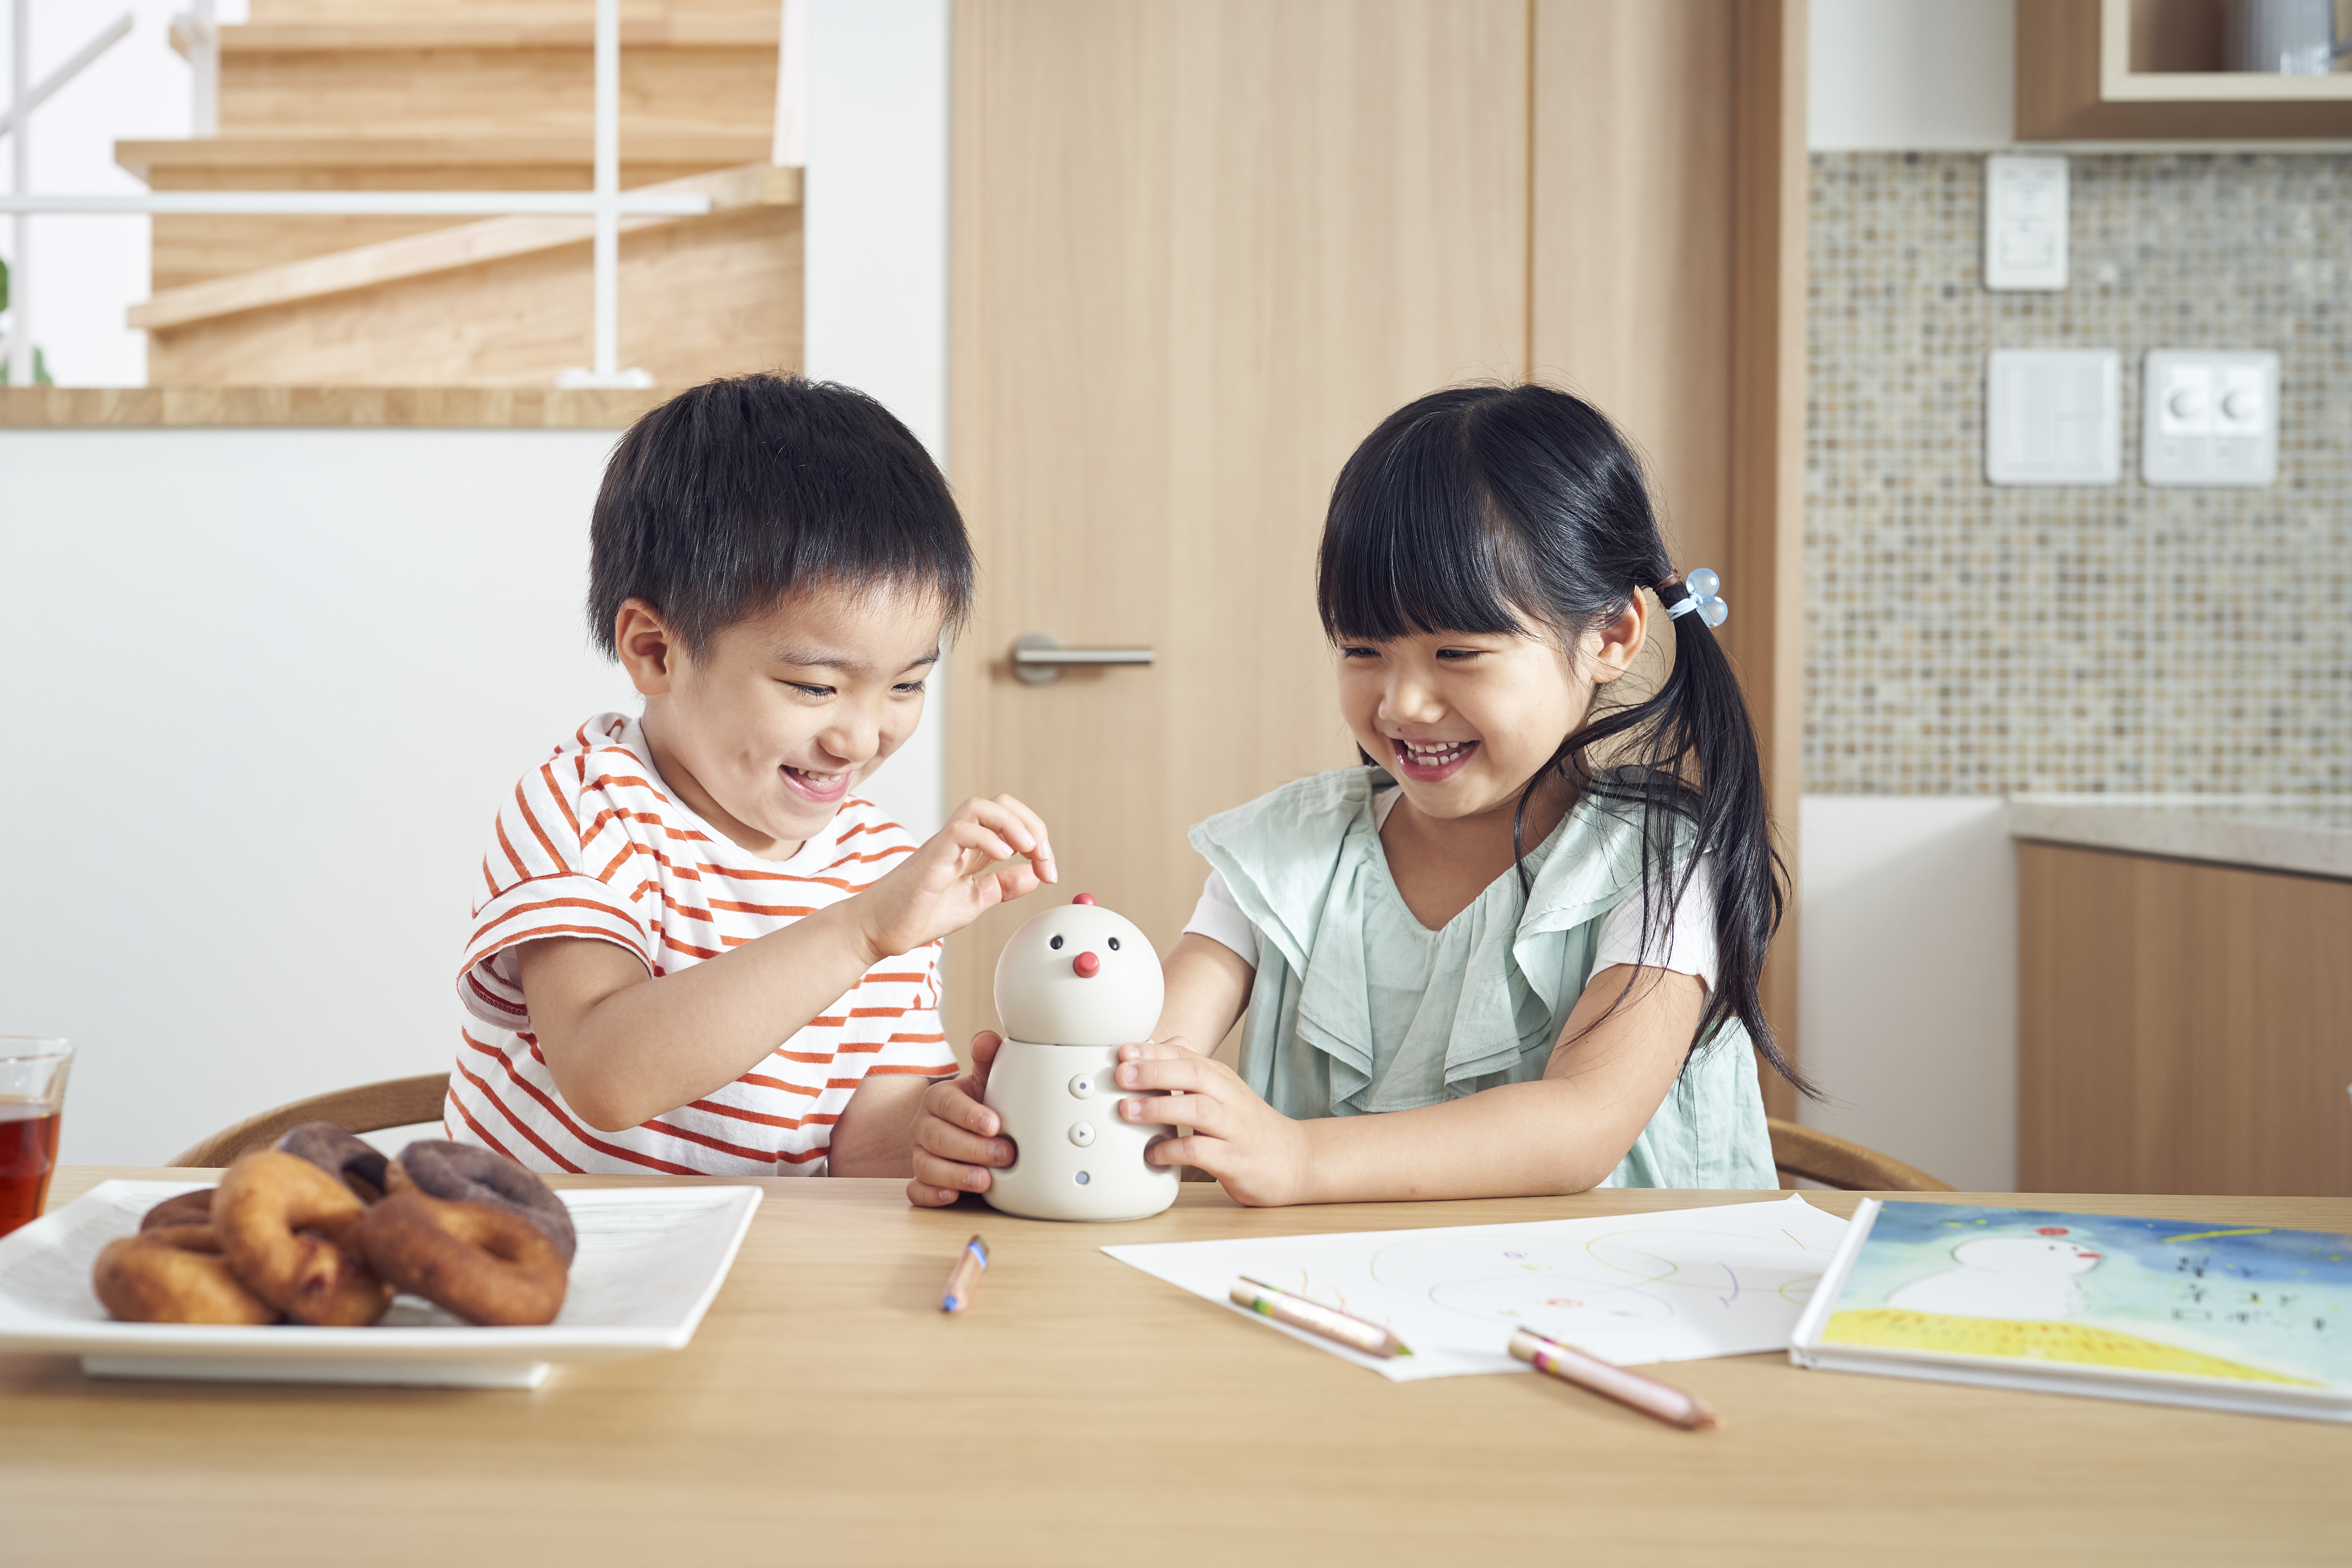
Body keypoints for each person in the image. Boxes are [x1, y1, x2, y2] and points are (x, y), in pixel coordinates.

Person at [908, 382, 1803, 1208]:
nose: (1402, 702)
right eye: (1363, 649)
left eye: (1459, 653)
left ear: (1611, 634)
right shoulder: (1287, 852)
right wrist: (1028, 1115)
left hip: (1622, 1304)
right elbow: (1155, 1059)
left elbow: (1581, 1124)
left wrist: (1299, 1157)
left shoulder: (1659, 863)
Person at [447, 374, 1054, 1177]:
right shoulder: (587, 808)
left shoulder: (882, 868)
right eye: (815, 687)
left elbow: (858, 1147)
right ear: (655, 650)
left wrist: (956, 1119)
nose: (863, 737)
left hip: (765, 1273)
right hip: (551, 1266)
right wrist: (862, 933)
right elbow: (604, 1075)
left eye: (906, 684)